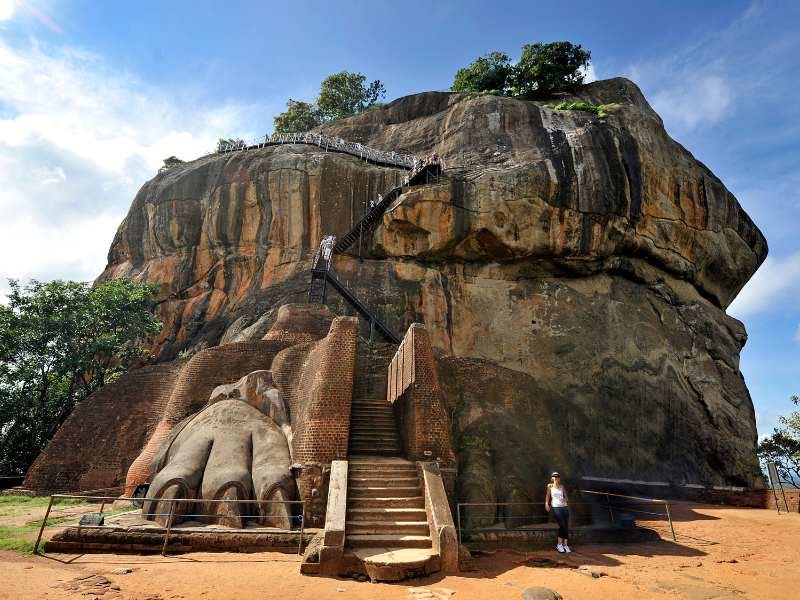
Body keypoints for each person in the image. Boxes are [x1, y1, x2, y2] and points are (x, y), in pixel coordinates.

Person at [545, 471, 571, 553]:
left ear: (559, 478)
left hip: (564, 507)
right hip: (556, 507)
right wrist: (546, 504)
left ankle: (565, 545)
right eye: (554, 477)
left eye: (557, 477)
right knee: (562, 525)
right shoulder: (550, 486)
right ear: (552, 478)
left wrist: (564, 499)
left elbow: (566, 498)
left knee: (566, 526)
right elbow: (547, 496)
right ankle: (559, 544)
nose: (556, 478)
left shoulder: (562, 486)